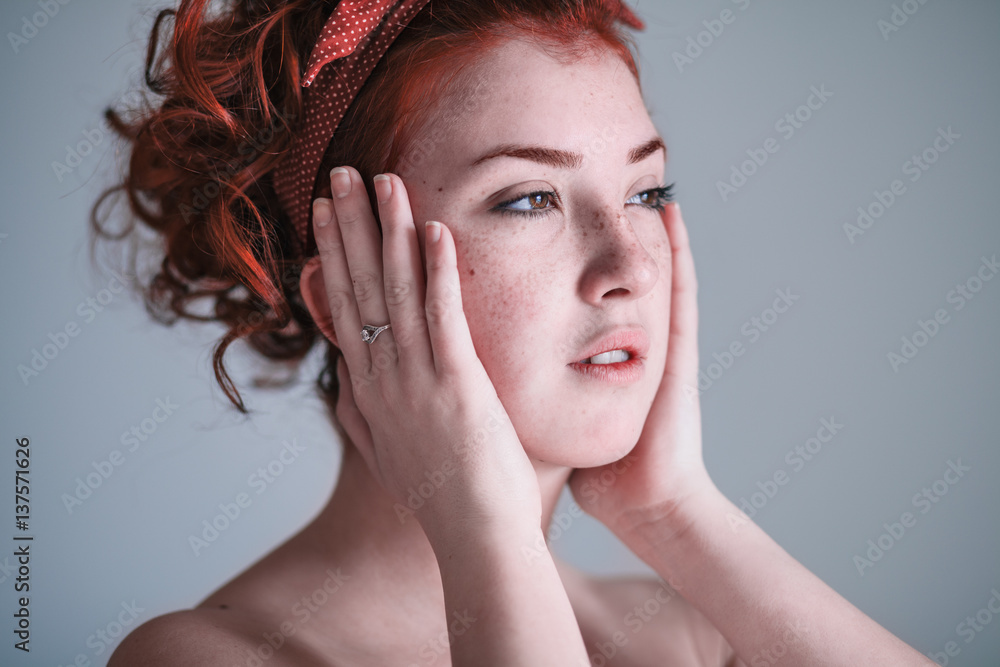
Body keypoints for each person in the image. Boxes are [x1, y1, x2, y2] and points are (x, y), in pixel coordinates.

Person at [95, 0, 936, 664]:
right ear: (346, 297)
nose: (631, 267)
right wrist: (479, 531)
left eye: (646, 193)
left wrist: (676, 515)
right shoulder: (207, 657)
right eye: (529, 198)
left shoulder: (688, 636)